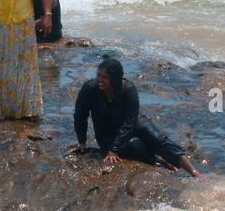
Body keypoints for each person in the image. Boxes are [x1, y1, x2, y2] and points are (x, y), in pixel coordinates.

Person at [69, 57, 201, 176]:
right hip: (106, 132)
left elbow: (130, 121)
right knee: (133, 146)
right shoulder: (90, 89)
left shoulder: (128, 89)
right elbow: (80, 115)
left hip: (132, 123)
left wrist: (114, 150)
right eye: (98, 75)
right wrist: (82, 142)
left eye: (105, 77)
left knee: (158, 139)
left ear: (115, 79)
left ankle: (193, 172)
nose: (100, 80)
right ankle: (158, 159)